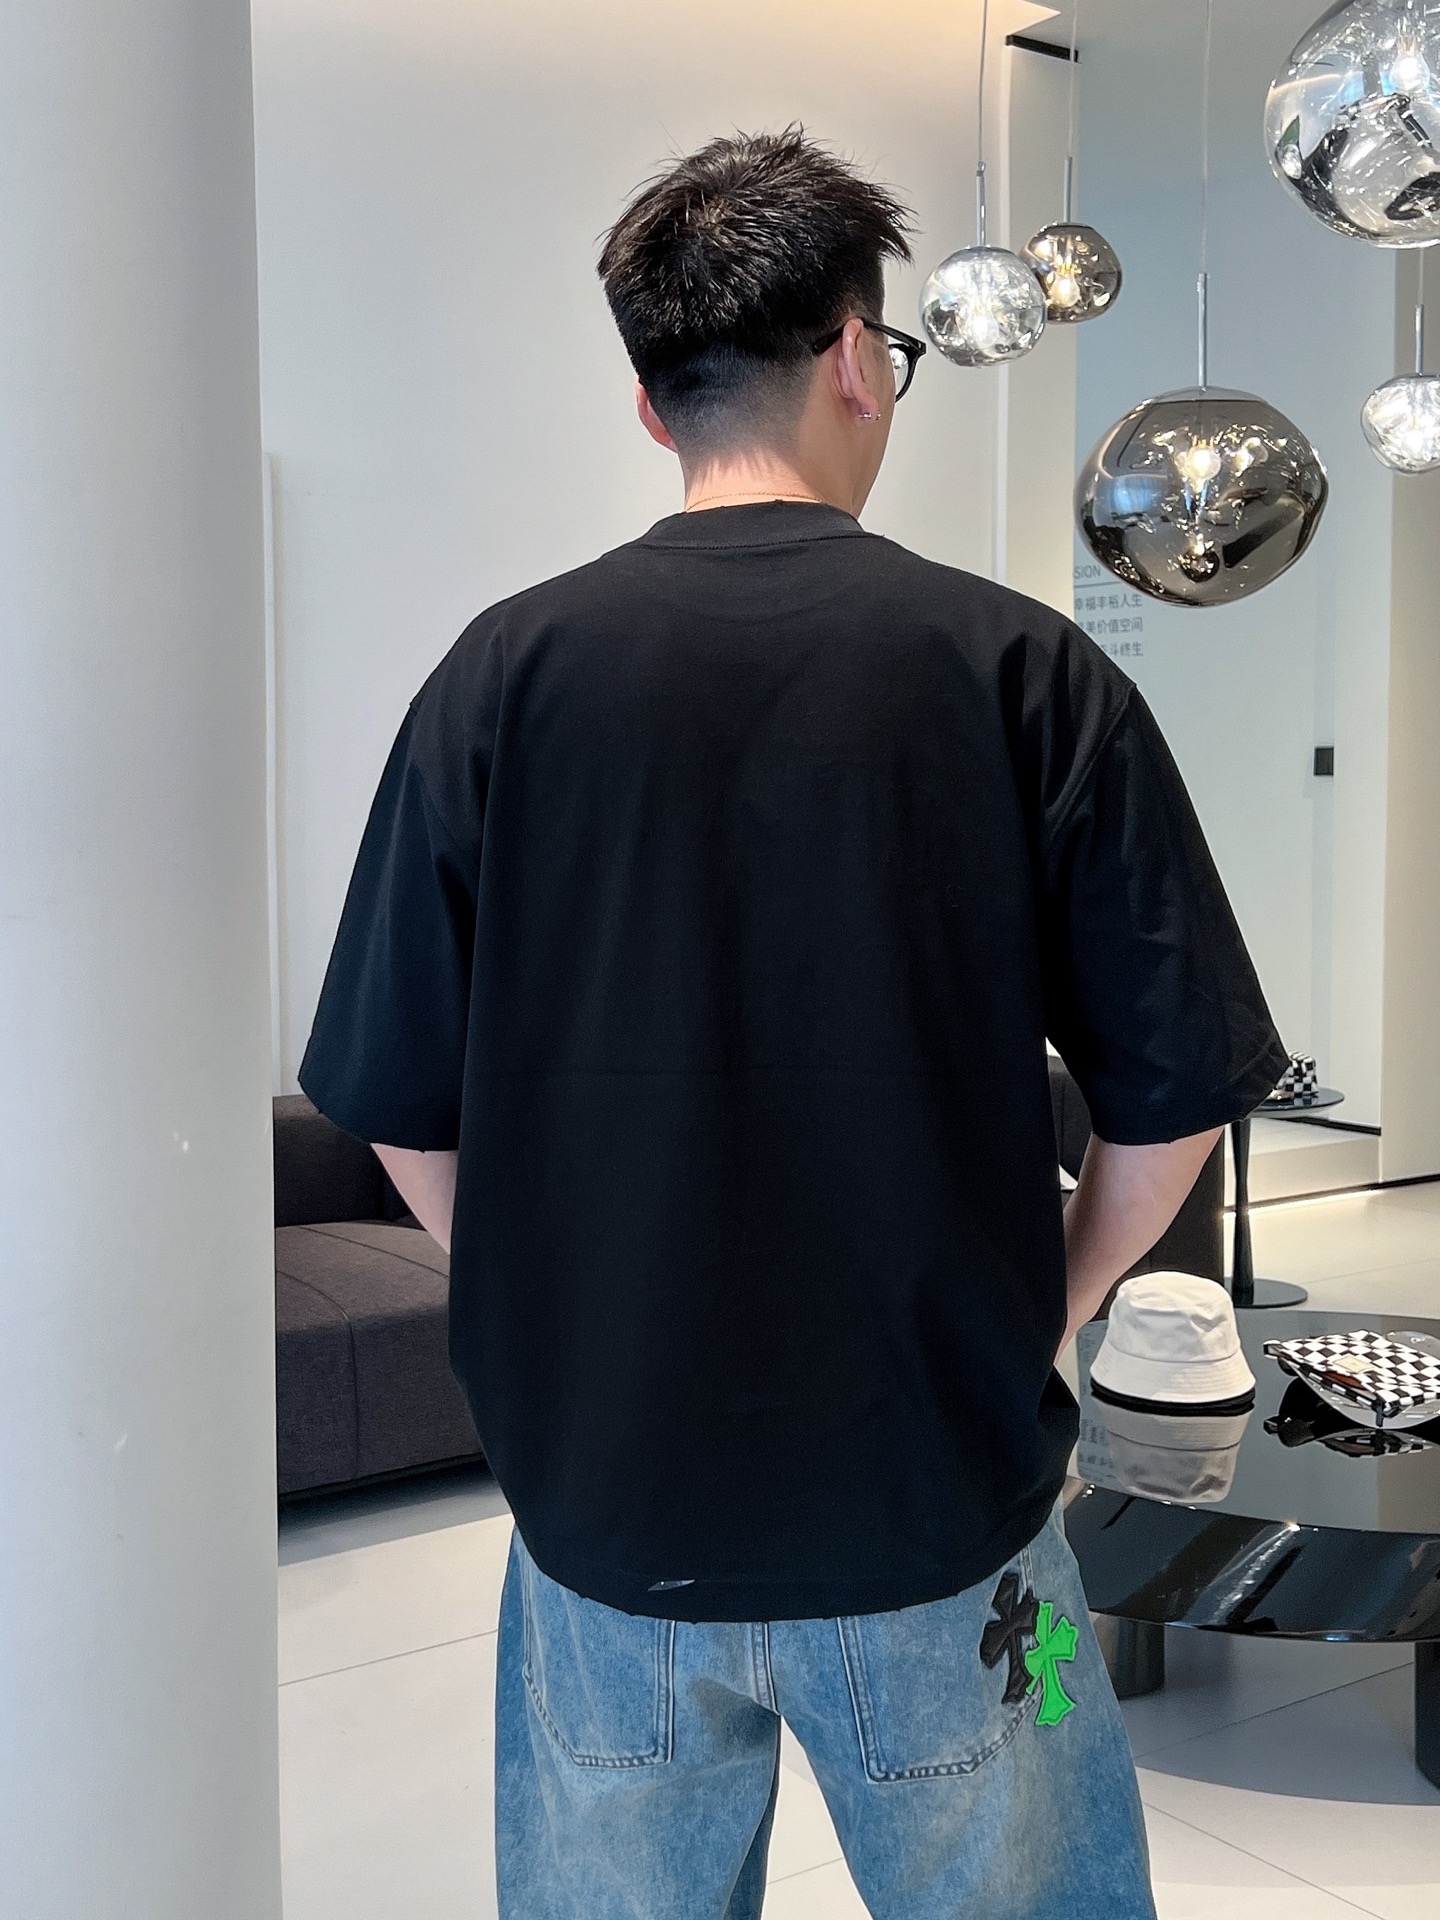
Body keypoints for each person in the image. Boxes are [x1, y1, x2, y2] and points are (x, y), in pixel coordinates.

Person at [300, 128, 1286, 1919]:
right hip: (948, 1521)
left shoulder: (497, 679)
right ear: (853, 357)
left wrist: (562, 1318)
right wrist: (1042, 1308)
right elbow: (1172, 1111)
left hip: (605, 1531)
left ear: (650, 403)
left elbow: (397, 1105)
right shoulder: (1024, 672)